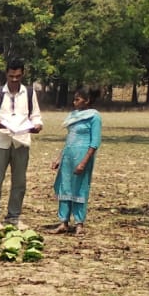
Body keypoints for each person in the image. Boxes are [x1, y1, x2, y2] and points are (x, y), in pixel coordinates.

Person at [0, 60, 44, 225]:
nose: (15, 79)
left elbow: (36, 116)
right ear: (6, 74)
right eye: (11, 76)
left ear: (23, 74)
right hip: (1, 141)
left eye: (18, 76)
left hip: (21, 142)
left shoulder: (30, 93)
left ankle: (13, 217)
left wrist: (38, 125)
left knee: (19, 182)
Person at [51, 88, 101, 234]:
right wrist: (59, 158)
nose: (74, 102)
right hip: (68, 157)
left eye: (78, 99)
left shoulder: (94, 117)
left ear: (87, 101)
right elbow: (69, 140)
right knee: (64, 187)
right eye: (74, 99)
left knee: (80, 188)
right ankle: (63, 222)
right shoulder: (72, 116)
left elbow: (95, 142)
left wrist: (84, 162)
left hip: (82, 155)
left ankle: (79, 224)